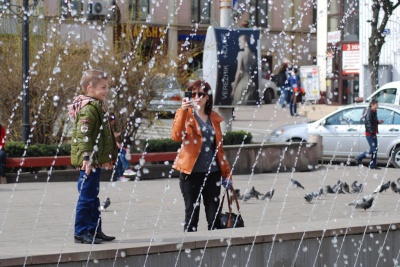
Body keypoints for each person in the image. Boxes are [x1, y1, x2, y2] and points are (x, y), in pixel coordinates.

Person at [172, 79, 233, 232]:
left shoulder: (213, 117)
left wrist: (226, 173)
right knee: (191, 218)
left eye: (201, 94)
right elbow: (176, 136)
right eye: (193, 94)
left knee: (215, 220)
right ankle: (189, 252)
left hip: (213, 173)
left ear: (208, 97)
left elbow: (219, 149)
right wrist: (182, 111)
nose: (196, 97)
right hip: (190, 174)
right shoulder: (185, 114)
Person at [68, 69, 118, 244]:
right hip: (88, 162)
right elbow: (84, 136)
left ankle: (94, 230)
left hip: (94, 161)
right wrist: (87, 158)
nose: (106, 90)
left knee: (93, 197)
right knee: (86, 197)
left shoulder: (96, 106)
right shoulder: (89, 109)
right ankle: (81, 232)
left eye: (107, 87)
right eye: (103, 87)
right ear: (90, 88)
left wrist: (107, 158)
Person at [355, 99, 384, 169]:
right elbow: (368, 124)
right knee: (373, 149)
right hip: (370, 134)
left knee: (375, 149)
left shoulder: (374, 112)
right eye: (376, 104)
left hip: (373, 133)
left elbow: (373, 121)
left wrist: (378, 122)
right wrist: (372, 134)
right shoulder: (369, 112)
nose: (378, 106)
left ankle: (373, 165)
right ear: (372, 105)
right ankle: (359, 157)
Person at [230, 34, 256, 105]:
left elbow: (239, 72)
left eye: (240, 41)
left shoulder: (241, 54)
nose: (239, 44)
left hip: (242, 82)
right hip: (250, 82)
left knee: (237, 104)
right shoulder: (253, 56)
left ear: (245, 43)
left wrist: (233, 89)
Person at [109, 113, 135, 182]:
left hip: (111, 148)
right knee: (121, 151)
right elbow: (108, 139)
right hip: (107, 149)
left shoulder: (110, 128)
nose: (113, 122)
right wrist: (115, 140)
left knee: (119, 157)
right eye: (112, 120)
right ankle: (126, 168)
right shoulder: (106, 127)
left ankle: (120, 176)